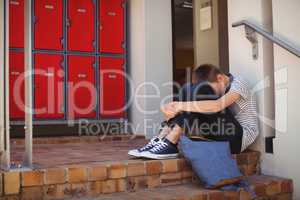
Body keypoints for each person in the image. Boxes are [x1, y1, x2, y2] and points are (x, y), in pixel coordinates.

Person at [128, 64, 259, 159]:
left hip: (239, 139)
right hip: (222, 132)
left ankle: (170, 143)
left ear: (220, 78)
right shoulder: (218, 88)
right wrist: (170, 114)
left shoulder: (240, 82)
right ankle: (161, 139)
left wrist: (180, 105)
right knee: (189, 91)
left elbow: (217, 106)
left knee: (198, 94)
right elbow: (198, 109)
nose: (213, 93)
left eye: (212, 88)